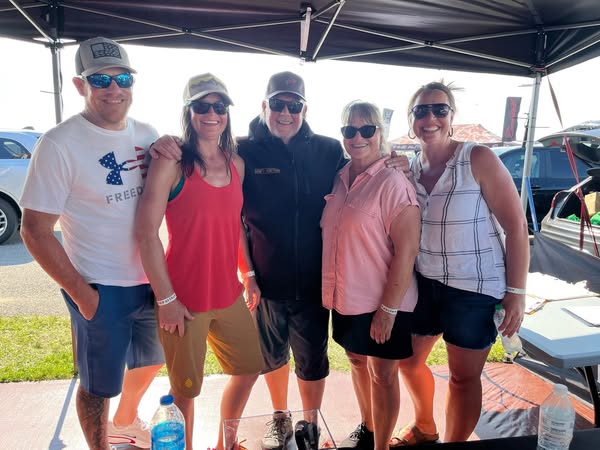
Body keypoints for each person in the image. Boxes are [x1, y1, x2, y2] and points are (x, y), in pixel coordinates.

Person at [20, 37, 166, 449]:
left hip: (150, 282)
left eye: (123, 78)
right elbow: (34, 230)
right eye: (100, 79)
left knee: (154, 360)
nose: (113, 88)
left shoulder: (147, 134)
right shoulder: (59, 143)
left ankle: (125, 421)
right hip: (100, 286)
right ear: (80, 85)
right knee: (99, 385)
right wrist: (83, 296)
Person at [393, 81, 530, 445]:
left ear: (452, 116)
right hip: (425, 282)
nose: (431, 118)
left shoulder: (477, 158)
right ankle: (425, 427)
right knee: (408, 361)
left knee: (462, 378)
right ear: (411, 119)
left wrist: (516, 292)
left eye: (440, 109)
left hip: (474, 287)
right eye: (421, 110)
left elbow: (516, 226)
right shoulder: (410, 168)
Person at [134, 73, 264, 450]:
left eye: (219, 106)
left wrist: (248, 273)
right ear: (188, 112)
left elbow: (234, 223)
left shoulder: (236, 164)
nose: (212, 114)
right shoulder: (172, 163)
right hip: (184, 299)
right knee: (186, 390)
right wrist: (167, 300)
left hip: (228, 293)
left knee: (249, 368)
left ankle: (225, 443)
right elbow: (146, 234)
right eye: (202, 106)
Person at [236, 71, 346, 449]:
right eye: (278, 104)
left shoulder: (329, 150)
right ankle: (280, 416)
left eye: (294, 105)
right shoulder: (242, 150)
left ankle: (310, 424)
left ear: (305, 108)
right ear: (264, 105)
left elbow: (364, 174)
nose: (286, 112)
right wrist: (248, 274)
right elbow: (234, 219)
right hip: (266, 280)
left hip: (316, 280)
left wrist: (394, 161)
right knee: (272, 356)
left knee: (312, 358)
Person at [321, 101, 421, 450]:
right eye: (349, 130)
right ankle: (368, 427)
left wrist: (388, 310)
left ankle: (381, 445)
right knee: (355, 360)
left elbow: (407, 250)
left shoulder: (393, 181)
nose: (358, 136)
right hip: (347, 297)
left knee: (383, 374)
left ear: (380, 132)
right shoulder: (341, 176)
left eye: (367, 129)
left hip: (383, 300)